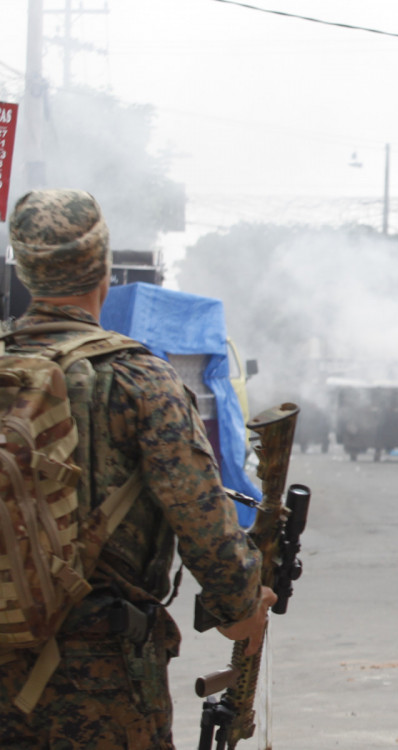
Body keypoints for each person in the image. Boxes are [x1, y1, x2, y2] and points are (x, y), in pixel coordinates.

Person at [0, 189, 274, 748]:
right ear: (104, 271)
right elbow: (202, 520)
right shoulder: (138, 379)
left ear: (25, 271)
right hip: (102, 682)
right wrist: (242, 607)